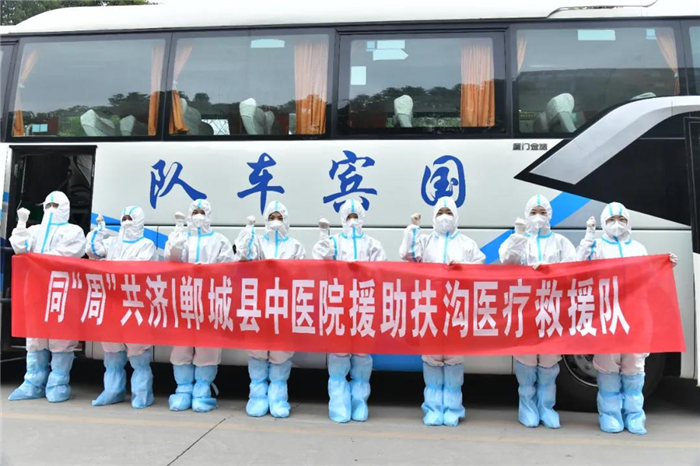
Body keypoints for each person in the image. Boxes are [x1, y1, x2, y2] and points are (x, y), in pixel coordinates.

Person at [577, 201, 678, 435]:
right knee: (608, 367)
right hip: (608, 316)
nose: (617, 224)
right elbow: (580, 264)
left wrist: (664, 266)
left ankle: (634, 416)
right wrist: (589, 236)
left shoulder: (638, 248)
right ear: (604, 223)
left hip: (636, 316)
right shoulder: (598, 247)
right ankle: (610, 415)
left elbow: (649, 278)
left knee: (634, 367)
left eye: (621, 220)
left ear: (628, 222)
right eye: (611, 220)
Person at [399, 196, 485, 427]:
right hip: (430, 308)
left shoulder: (467, 244)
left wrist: (463, 267)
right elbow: (408, 255)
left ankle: (453, 409)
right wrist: (413, 229)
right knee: (432, 359)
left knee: (454, 360)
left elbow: (481, 269)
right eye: (440, 213)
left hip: (457, 308)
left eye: (448, 212)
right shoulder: (425, 240)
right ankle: (433, 408)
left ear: (456, 216)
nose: (444, 217)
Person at [499, 194, 577, 429]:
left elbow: (574, 269)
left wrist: (552, 270)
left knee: (549, 360)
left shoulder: (561, 242)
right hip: (525, 308)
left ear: (550, 215)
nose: (538, 217)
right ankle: (527, 407)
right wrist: (518, 236)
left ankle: (546, 407)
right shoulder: (519, 239)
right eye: (533, 212)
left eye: (542, 212)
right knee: (526, 358)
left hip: (553, 308)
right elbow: (508, 262)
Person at [312, 199, 387, 423]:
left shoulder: (373, 244)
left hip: (364, 306)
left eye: (355, 216)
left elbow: (383, 270)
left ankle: (359, 403)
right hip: (338, 306)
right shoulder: (333, 242)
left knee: (362, 357)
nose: (352, 220)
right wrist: (324, 236)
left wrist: (366, 272)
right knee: (338, 356)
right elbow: (320, 260)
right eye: (348, 216)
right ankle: (339, 405)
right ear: (342, 219)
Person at [8, 191, 86, 402]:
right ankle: (33, 383)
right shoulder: (34, 231)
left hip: (62, 289)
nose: (51, 209)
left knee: (61, 336)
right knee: (35, 336)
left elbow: (67, 254)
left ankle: (58, 383)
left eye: (55, 205)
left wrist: (37, 259)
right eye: (48, 205)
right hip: (35, 289)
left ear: (65, 208)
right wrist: (21, 225)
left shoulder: (73, 231)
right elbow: (20, 248)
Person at [235, 200, 306, 418]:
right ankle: (257, 398)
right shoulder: (257, 242)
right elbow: (244, 258)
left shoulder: (295, 246)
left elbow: (303, 274)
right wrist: (247, 233)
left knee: (281, 352)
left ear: (286, 220)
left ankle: (278, 399)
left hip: (284, 306)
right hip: (258, 304)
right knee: (257, 351)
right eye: (272, 217)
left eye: (279, 217)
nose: (276, 221)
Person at [164, 199, 235, 413]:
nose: (198, 215)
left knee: (207, 346)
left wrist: (210, 271)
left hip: (209, 301)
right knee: (181, 346)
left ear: (209, 215)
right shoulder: (181, 237)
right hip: (183, 300)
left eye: (202, 211)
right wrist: (176, 240)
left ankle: (202, 391)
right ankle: (183, 390)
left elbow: (229, 268)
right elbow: (171, 260)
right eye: (194, 211)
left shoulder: (219, 240)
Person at [86, 206, 156, 409]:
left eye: (130, 218)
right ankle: (112, 391)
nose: (126, 222)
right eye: (124, 218)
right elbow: (92, 252)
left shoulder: (146, 245)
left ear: (139, 221)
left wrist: (111, 265)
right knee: (112, 349)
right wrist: (98, 232)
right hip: (112, 303)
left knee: (137, 350)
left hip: (135, 304)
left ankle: (142, 394)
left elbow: (140, 269)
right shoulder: (112, 242)